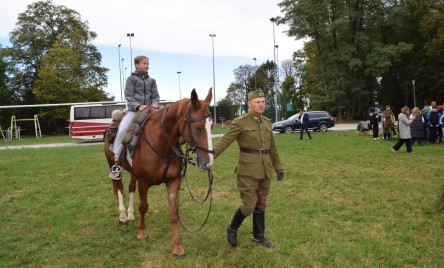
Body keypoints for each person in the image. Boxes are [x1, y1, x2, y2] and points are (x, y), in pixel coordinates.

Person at [213, 90, 284, 249]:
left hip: (265, 170)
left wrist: (278, 167)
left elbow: (273, 148)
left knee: (261, 204)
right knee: (249, 206)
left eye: (263, 101)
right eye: (257, 102)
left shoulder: (266, 122)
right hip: (247, 171)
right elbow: (224, 141)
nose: (261, 104)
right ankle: (232, 227)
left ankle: (259, 237)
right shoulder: (240, 122)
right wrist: (209, 157)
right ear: (249, 104)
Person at [109, 55, 160, 179]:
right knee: (122, 131)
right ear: (137, 65)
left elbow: (155, 95)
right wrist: (137, 106)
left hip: (150, 111)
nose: (147, 65)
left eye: (148, 63)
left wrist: (155, 103)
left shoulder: (152, 81)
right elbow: (129, 96)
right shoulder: (131, 79)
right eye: (144, 63)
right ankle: (116, 163)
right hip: (133, 111)